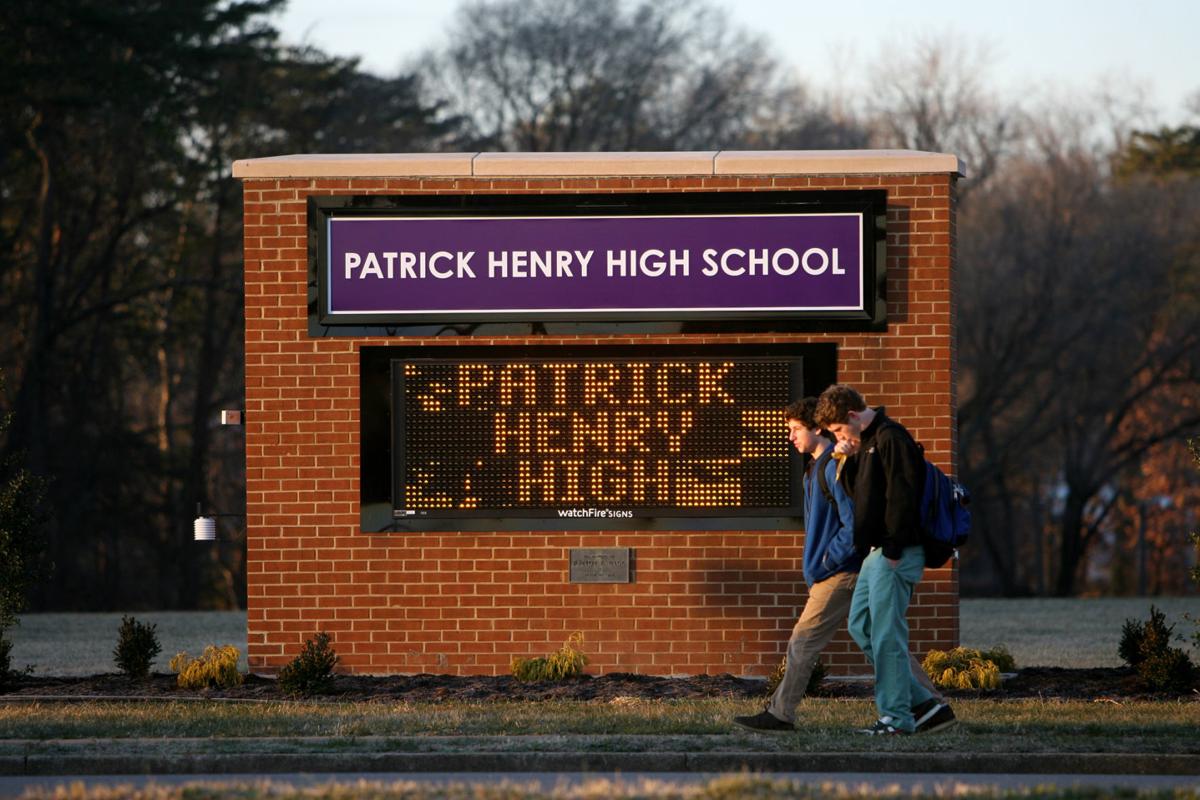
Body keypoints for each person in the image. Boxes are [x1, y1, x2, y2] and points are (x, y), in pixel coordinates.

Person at [733, 397, 947, 734]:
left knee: (804, 641)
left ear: (819, 429)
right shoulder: (817, 468)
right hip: (841, 569)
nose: (790, 437)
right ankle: (929, 703)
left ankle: (780, 714)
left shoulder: (833, 467)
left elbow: (854, 521)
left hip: (841, 571)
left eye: (794, 429)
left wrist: (826, 561)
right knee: (873, 634)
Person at [814, 384, 957, 735]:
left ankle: (896, 717)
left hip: (895, 552)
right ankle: (924, 704)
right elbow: (859, 500)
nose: (836, 437)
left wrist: (894, 549)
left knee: (886, 635)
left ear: (851, 415)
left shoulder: (891, 438)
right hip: (876, 553)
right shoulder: (866, 443)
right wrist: (846, 456)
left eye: (836, 431)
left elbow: (903, 496)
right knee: (861, 626)